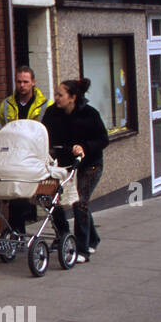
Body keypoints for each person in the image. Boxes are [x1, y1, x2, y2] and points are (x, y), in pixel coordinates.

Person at [41, 78, 108, 262]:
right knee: (56, 199)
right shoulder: (52, 113)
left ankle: (82, 250)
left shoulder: (89, 114)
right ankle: (89, 238)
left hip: (90, 164)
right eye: (56, 94)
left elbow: (103, 139)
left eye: (60, 95)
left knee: (80, 203)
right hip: (65, 164)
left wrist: (84, 147)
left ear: (72, 97)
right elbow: (44, 134)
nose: (56, 98)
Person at [0, 66, 49, 235]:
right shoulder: (7, 105)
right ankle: (17, 233)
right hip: (13, 161)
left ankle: (62, 232)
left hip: (36, 160)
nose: (22, 85)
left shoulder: (45, 106)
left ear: (33, 82)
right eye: (19, 82)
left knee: (47, 198)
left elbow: (50, 132)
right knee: (15, 197)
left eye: (26, 81)